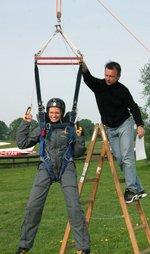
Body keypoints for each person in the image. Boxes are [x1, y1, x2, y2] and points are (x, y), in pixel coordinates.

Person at [15, 98, 90, 254]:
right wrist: (25, 123)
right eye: (51, 112)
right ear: (47, 113)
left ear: (62, 113)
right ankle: (24, 245)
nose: (54, 115)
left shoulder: (69, 128)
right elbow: (22, 143)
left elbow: (77, 153)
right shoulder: (42, 127)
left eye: (57, 112)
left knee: (75, 206)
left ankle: (83, 247)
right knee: (33, 206)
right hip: (46, 168)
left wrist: (80, 137)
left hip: (66, 167)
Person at [81, 60, 147, 204]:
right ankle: (139, 188)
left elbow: (134, 107)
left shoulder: (122, 90)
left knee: (127, 156)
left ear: (118, 77)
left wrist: (140, 125)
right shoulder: (99, 86)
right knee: (120, 159)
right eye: (106, 75)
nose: (108, 78)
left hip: (124, 125)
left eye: (111, 76)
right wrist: (84, 66)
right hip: (110, 129)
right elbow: (88, 78)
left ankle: (131, 190)